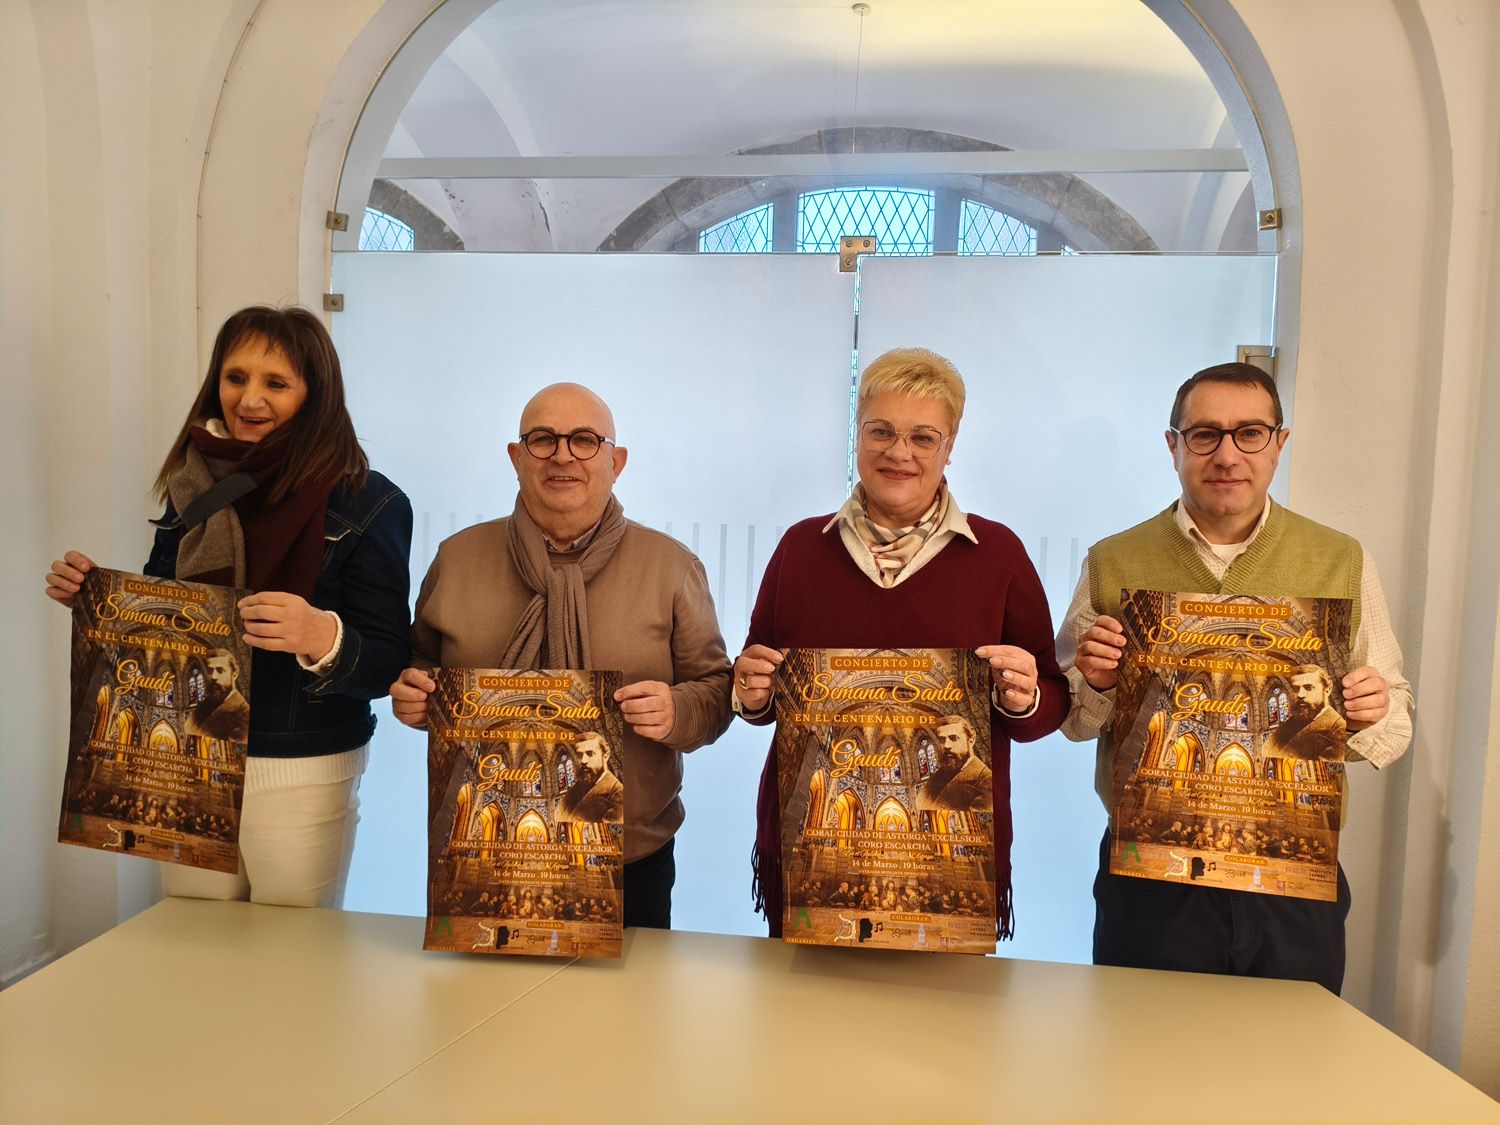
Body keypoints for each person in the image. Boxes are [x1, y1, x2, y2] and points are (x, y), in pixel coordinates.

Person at [1056, 361, 1413, 993]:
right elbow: (1074, 720)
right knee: (1145, 1061)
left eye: (1249, 433)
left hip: (1292, 880)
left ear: (1279, 443)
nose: (1227, 454)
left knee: (1287, 1069)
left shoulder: (1339, 559)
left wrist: (1366, 710)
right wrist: (1099, 685)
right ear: (1173, 445)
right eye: (1204, 434)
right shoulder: (1113, 560)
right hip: (1151, 878)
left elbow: (1394, 720)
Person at [45, 306, 413, 908]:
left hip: (299, 766)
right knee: (195, 942)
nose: (250, 399)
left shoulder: (367, 499)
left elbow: (388, 660)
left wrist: (321, 635)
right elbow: (164, 618)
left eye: (276, 383)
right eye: (235, 377)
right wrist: (96, 603)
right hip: (185, 752)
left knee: (293, 956)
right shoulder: (192, 483)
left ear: (314, 395)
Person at [733, 347, 1068, 939]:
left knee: (944, 1029)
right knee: (802, 1024)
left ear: (950, 447)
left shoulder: (998, 555)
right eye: (880, 431)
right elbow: (760, 691)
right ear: (856, 436)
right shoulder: (801, 548)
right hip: (815, 844)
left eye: (922, 436)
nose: (899, 452)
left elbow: (1050, 704)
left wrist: (1024, 697)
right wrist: (753, 691)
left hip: (949, 854)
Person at [388, 382, 733, 930]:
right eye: (543, 439)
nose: (563, 455)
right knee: (476, 1012)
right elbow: (421, 667)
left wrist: (676, 710)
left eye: (585, 440)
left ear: (616, 461)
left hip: (627, 861)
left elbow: (717, 690)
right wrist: (412, 696)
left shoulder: (670, 566)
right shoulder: (457, 559)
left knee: (621, 1017)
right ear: (516, 457)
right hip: (482, 852)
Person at [1263, 665, 1348, 761]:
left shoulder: (1338, 730)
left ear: (1327, 689)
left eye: (1308, 688)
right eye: (1296, 689)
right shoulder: (1290, 723)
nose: (1300, 695)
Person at [915, 714, 993, 813]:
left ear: (971, 741)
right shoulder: (937, 777)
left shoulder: (986, 781)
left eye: (953, 738)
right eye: (942, 740)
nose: (947, 745)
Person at [556, 731, 624, 823]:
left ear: (606, 755)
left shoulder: (618, 794)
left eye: (590, 754)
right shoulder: (574, 790)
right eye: (579, 755)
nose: (583, 760)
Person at [185, 649, 251, 744]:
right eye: (210, 671)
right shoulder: (202, 706)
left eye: (220, 670)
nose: (213, 676)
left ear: (234, 674)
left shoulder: (244, 714)